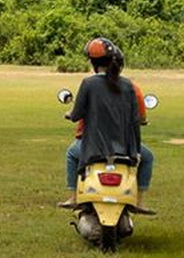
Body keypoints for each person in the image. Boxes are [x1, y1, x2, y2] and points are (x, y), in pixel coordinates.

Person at [59, 37, 154, 211]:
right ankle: (139, 201)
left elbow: (76, 115)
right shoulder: (129, 86)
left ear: (93, 62)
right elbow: (136, 119)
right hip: (125, 148)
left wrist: (70, 114)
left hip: (93, 148)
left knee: (72, 154)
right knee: (149, 157)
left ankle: (73, 197)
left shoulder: (89, 83)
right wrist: (135, 150)